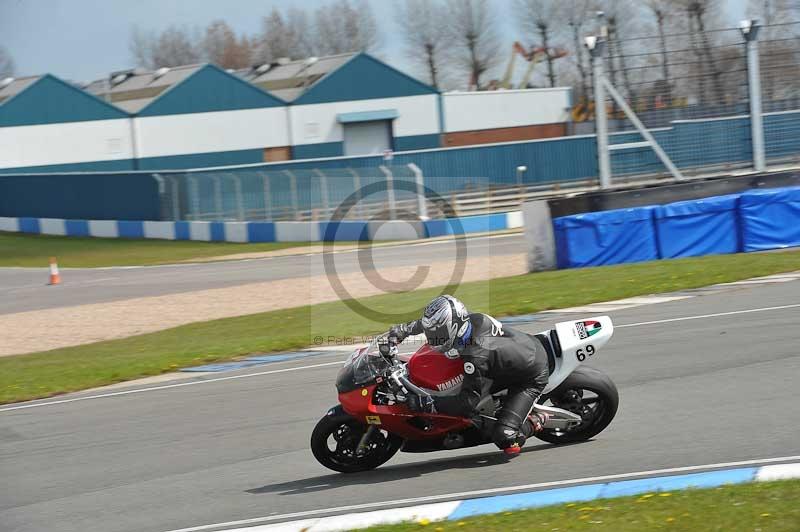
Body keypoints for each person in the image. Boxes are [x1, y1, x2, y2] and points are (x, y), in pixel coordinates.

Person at [388, 295, 550, 456]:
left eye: (440, 332)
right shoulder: (467, 321)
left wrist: (429, 403)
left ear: (454, 327)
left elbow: (467, 404)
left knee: (505, 438)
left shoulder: (475, 356)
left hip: (530, 375)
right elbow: (432, 324)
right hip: (516, 354)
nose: (433, 338)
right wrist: (402, 331)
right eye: (433, 332)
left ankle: (536, 420)